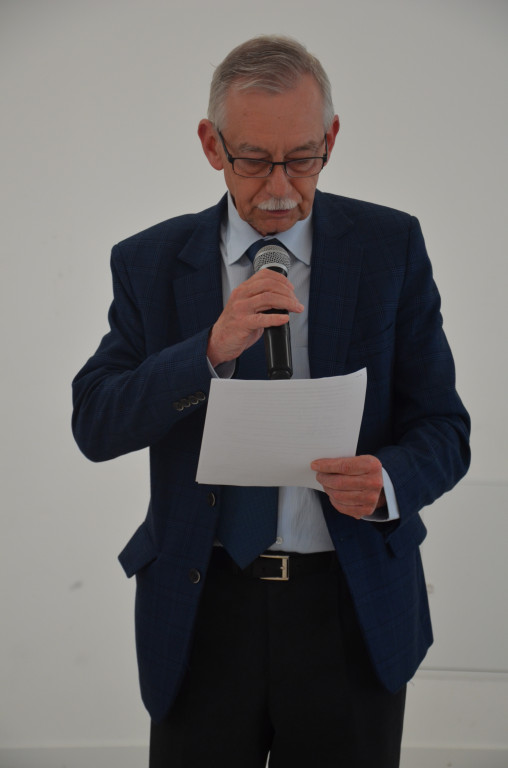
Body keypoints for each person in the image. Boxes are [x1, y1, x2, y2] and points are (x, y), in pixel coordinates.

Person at [72, 35, 470, 768]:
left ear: (332, 138)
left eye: (304, 158)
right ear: (211, 145)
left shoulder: (391, 247)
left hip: (350, 607)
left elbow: (445, 428)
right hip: (202, 610)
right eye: (254, 161)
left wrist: (387, 481)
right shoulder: (149, 261)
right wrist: (207, 349)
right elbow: (95, 422)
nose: (281, 187)